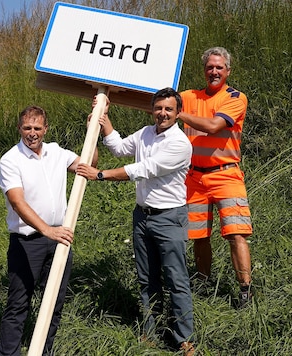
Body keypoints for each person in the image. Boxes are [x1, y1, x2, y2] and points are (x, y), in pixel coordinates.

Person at [76, 87, 195, 355]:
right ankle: (150, 334)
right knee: (147, 279)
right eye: (158, 108)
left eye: (168, 109)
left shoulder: (180, 144)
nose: (162, 113)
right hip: (142, 217)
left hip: (169, 219)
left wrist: (100, 175)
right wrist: (102, 119)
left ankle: (184, 339)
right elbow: (118, 148)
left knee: (176, 279)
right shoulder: (144, 133)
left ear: (178, 113)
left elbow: (142, 170)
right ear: (152, 109)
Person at [0, 105, 98, 356]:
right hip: (27, 242)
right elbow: (18, 202)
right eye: (27, 128)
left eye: (37, 128)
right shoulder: (11, 160)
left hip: (59, 240)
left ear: (46, 129)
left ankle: (44, 351)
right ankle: (7, 354)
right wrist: (46, 231)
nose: (32, 133)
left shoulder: (56, 152)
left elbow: (89, 164)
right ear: (19, 128)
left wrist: (92, 131)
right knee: (18, 304)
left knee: (53, 303)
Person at [179, 46, 255, 308]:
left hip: (226, 176)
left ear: (228, 71)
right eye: (210, 67)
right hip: (194, 178)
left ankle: (245, 289)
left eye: (219, 67)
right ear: (204, 70)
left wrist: (177, 113)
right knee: (198, 236)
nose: (214, 71)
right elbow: (156, 102)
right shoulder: (189, 96)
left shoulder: (235, 97)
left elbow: (213, 126)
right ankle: (202, 282)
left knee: (237, 234)